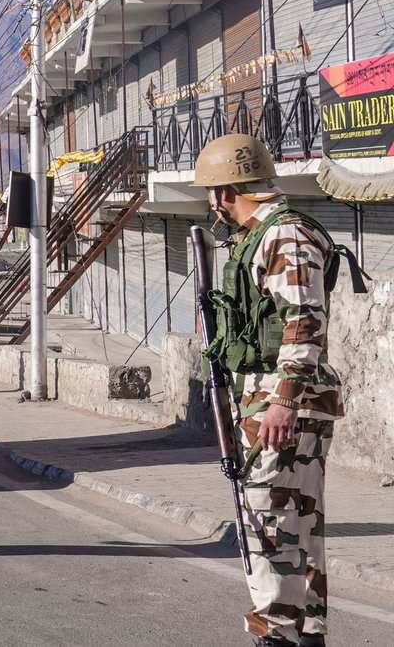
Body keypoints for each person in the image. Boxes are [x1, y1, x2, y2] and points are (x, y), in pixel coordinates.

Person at [193, 134, 351, 647]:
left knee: (270, 519)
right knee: (298, 521)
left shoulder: (285, 236)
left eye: (213, 193)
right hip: (269, 397)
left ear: (226, 192)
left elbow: (304, 320)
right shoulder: (261, 236)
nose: (213, 205)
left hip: (285, 402)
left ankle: (278, 632)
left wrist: (282, 401)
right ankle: (306, 631)